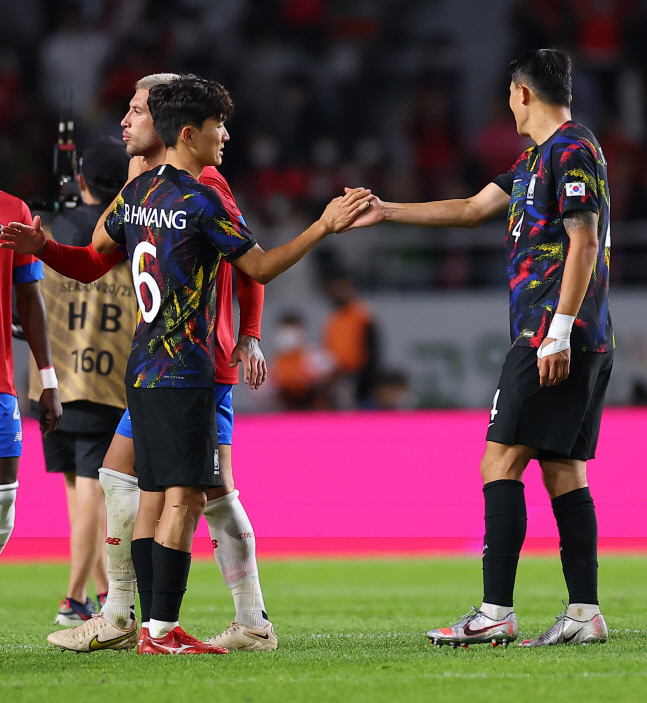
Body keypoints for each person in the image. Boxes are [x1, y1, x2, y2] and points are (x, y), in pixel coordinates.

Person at [6, 75, 370, 655]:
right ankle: (151, 625)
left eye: (134, 110)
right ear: (189, 130)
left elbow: (95, 262)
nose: (125, 121)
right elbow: (261, 265)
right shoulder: (185, 194)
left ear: (163, 124)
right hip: (182, 369)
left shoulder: (166, 189)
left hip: (163, 366)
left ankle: (183, 619)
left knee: (179, 493)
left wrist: (249, 336)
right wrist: (324, 225)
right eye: (219, 127)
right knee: (168, 493)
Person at [347, 49, 612, 647]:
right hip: (572, 333)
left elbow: (585, 241)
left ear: (522, 93)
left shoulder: (571, 150)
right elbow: (469, 210)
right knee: (563, 469)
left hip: (552, 331)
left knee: (500, 461)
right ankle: (584, 612)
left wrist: (560, 329)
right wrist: (386, 210)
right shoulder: (535, 161)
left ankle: (496, 611)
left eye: (508, 97)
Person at [29, 137, 134, 626]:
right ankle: (78, 598)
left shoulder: (48, 230)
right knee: (92, 495)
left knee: (78, 495)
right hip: (106, 380)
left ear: (83, 181)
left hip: (51, 379)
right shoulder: (130, 237)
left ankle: (93, 593)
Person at [0, 191, 62, 556]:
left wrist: (48, 379)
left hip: (2, 380)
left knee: (4, 505)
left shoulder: (14, 209)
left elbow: (29, 295)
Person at [321, 273, 380, 409]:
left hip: (359, 378)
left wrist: (367, 381)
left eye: (342, 288)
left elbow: (373, 351)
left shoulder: (363, 314)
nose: (338, 293)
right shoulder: (333, 319)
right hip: (339, 377)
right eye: (334, 289)